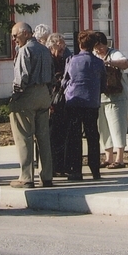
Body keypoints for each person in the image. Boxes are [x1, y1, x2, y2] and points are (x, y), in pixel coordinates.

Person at [9, 22, 54, 188]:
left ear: (27, 34)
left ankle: (26, 177)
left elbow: (22, 77)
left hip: (28, 93)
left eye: (16, 35)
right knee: (43, 137)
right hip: (44, 93)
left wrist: (16, 96)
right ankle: (47, 175)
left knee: (24, 136)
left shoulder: (25, 50)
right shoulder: (45, 49)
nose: (14, 39)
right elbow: (52, 73)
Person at [63, 30, 106, 180]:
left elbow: (65, 81)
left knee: (75, 136)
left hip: (74, 100)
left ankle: (76, 169)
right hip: (91, 102)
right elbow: (103, 84)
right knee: (92, 135)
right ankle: (95, 169)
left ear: (79, 44)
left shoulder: (71, 60)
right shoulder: (99, 63)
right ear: (94, 44)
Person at [93, 32, 128, 169]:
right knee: (103, 128)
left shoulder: (114, 53)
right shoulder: (94, 55)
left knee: (118, 126)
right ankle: (108, 157)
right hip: (100, 97)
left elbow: (126, 63)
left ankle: (119, 158)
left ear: (106, 44)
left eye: (100, 47)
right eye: (96, 48)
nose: (98, 50)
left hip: (116, 97)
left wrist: (108, 62)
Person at [45, 32, 72, 176]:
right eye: (59, 49)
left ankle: (61, 166)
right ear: (51, 47)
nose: (62, 52)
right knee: (52, 135)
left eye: (63, 49)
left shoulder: (64, 60)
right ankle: (53, 166)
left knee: (61, 134)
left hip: (62, 100)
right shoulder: (48, 60)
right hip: (51, 100)